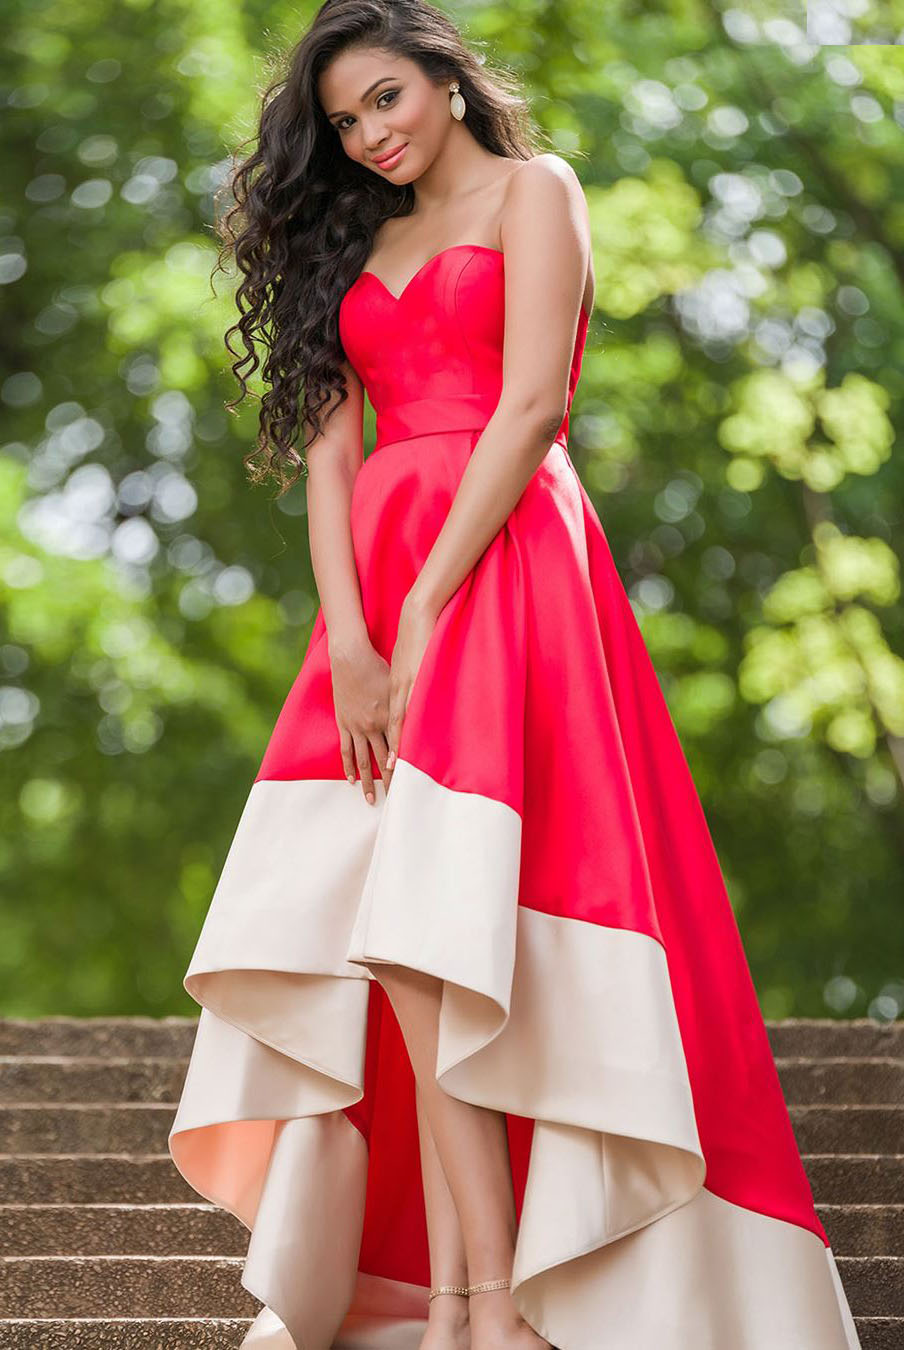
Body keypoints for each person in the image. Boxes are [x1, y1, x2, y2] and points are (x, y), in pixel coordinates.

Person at [168, 2, 862, 1348]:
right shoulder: (350, 243)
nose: (372, 134)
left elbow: (535, 399)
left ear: (446, 75)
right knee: (403, 952)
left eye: (386, 98)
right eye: (346, 121)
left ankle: (502, 1300)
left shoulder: (538, 189)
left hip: (510, 562)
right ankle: (464, 1297)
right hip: (378, 590)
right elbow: (327, 455)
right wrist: (356, 634)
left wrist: (430, 602)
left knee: (458, 925)